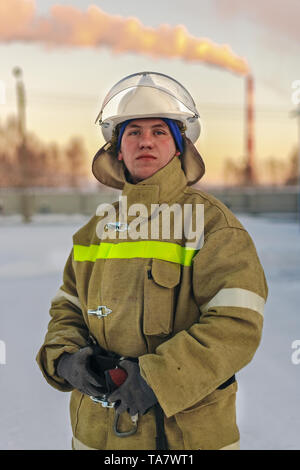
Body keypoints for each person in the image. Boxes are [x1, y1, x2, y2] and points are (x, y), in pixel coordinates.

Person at [36, 71, 268, 450]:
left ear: (179, 147)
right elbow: (68, 307)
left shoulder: (213, 225)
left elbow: (236, 324)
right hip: (96, 434)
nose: (146, 140)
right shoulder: (95, 230)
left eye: (160, 131)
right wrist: (65, 358)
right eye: (133, 132)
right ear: (118, 149)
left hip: (183, 438)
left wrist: (158, 378)